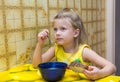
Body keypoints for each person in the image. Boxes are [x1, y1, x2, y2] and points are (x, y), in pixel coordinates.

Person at [32, 8, 116, 80]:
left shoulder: (84, 51)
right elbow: (36, 65)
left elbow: (111, 67)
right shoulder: (56, 48)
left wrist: (99, 74)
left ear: (75, 33)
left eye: (63, 29)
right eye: (55, 29)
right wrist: (40, 44)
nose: (57, 33)